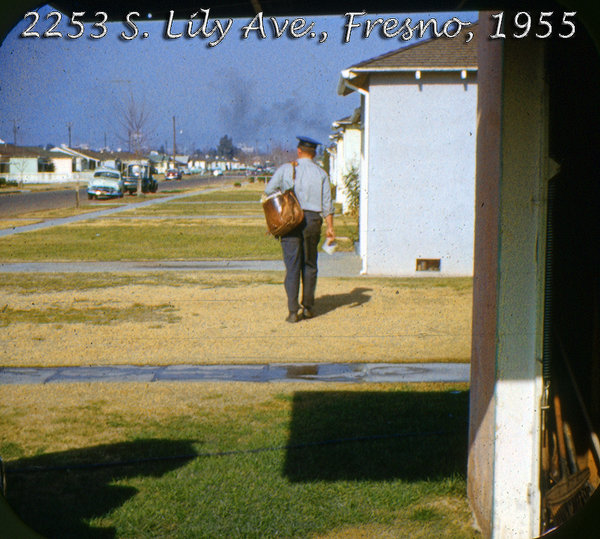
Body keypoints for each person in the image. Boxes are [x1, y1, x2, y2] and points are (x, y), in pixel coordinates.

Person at [265, 136, 335, 323]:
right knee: (310, 265)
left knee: (292, 266)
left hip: (290, 220)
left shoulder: (287, 169)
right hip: (312, 220)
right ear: (313, 153)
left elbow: (269, 190)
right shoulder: (321, 174)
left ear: (299, 151)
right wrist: (330, 227)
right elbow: (327, 205)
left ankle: (293, 311)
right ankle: (309, 307)